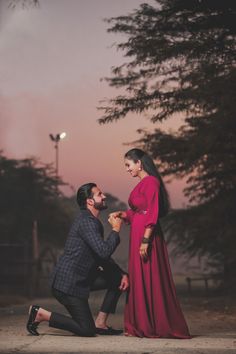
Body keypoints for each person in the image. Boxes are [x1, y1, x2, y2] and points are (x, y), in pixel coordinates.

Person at [26, 182, 129, 337]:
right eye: (99, 194)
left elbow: (100, 257)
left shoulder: (92, 221)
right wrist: (115, 229)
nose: (104, 196)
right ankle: (40, 314)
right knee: (86, 330)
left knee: (117, 279)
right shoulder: (87, 222)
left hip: (81, 279)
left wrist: (122, 274)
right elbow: (103, 252)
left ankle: (100, 323)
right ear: (90, 201)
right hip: (68, 284)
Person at [111, 148, 191, 338]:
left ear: (139, 163)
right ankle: (139, 325)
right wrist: (122, 215)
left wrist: (145, 241)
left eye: (128, 165)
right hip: (138, 234)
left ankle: (154, 325)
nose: (127, 169)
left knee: (150, 277)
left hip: (148, 237)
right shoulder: (142, 184)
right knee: (138, 278)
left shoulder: (151, 183)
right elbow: (138, 212)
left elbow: (152, 214)